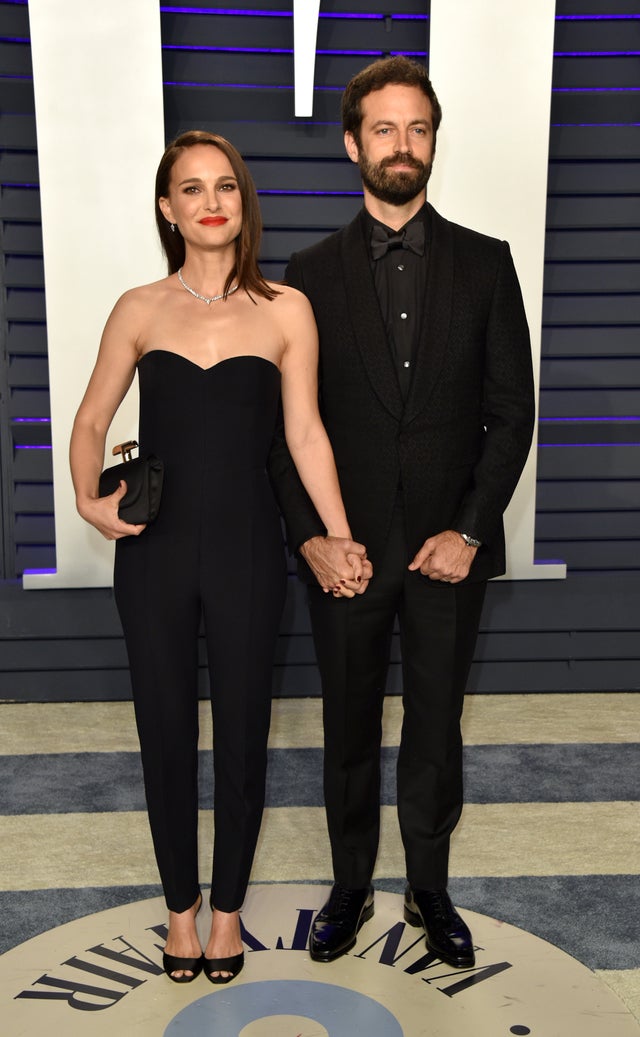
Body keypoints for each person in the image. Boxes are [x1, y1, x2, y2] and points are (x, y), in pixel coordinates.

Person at [70, 130, 369, 985]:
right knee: (163, 730)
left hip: (246, 550)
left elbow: (305, 434)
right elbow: (92, 417)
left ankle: (228, 910)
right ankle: (178, 908)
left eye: (225, 186)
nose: (211, 201)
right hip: (154, 552)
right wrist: (90, 497)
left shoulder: (286, 310)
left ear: (243, 203)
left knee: (243, 733)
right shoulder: (138, 307)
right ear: (167, 209)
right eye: (191, 188)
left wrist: (338, 530)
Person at [268, 56, 535, 968]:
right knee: (347, 725)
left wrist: (468, 530)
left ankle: (429, 887)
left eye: (418, 128)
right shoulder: (303, 275)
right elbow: (286, 427)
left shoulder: (487, 264)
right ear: (352, 145)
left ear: (433, 142)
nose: (402, 145)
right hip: (346, 554)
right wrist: (312, 536)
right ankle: (349, 885)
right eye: (383, 128)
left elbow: (513, 412)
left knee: (434, 725)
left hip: (445, 554)